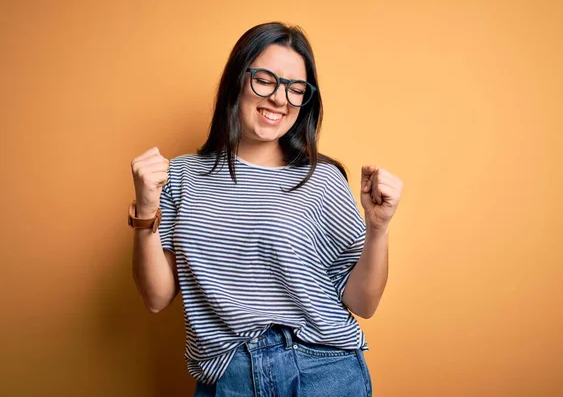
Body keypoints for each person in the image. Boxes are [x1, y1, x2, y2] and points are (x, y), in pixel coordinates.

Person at [128, 22, 403, 397]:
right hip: (228, 376)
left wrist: (379, 229)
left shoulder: (321, 179)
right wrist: (145, 207)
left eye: (295, 89)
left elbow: (362, 303)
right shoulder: (181, 176)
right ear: (237, 80)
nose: (280, 99)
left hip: (323, 371)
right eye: (265, 80)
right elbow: (157, 297)